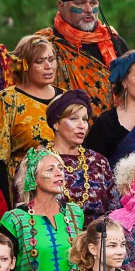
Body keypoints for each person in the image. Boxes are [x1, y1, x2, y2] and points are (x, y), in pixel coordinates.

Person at [0, 148, 84, 271]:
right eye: (50, 169)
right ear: (33, 177)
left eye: (60, 168)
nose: (59, 173)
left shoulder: (75, 214)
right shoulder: (14, 219)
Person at [0, 34, 62, 200]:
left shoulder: (65, 98)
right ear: (24, 65)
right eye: (39, 61)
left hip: (63, 184)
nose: (48, 66)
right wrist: (4, 201)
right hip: (24, 189)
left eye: (51, 59)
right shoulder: (8, 99)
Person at [40, 0, 129, 115]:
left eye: (93, 3)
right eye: (80, 3)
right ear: (61, 6)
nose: (88, 10)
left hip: (112, 131)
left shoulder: (113, 42)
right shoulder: (45, 44)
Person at [48, 89, 113, 222]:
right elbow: (26, 210)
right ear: (56, 123)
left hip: (97, 238)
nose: (82, 125)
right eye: (73, 119)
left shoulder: (98, 162)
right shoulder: (39, 161)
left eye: (84, 119)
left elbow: (114, 211)